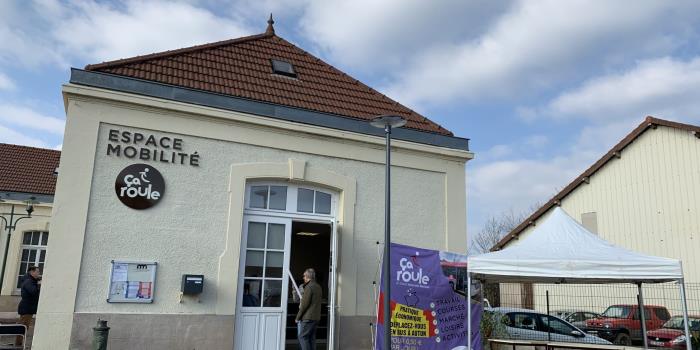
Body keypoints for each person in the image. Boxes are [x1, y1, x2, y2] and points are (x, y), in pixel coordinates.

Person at [296, 268, 322, 350]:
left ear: (308, 276)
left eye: (304, 276)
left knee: (302, 337)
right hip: (316, 317)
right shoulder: (318, 286)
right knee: (311, 338)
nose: (303, 277)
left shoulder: (309, 287)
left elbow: (304, 304)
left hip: (308, 318)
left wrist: (297, 317)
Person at [17, 266, 41, 346]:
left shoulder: (30, 280)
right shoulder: (28, 281)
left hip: (28, 308)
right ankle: (18, 345)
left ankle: (19, 344)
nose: (38, 273)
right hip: (26, 308)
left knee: (24, 327)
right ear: (32, 272)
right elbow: (33, 292)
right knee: (23, 327)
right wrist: (38, 285)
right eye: (37, 272)